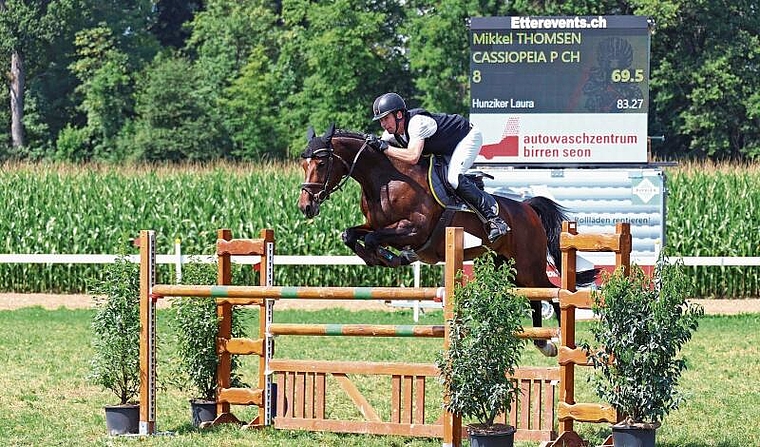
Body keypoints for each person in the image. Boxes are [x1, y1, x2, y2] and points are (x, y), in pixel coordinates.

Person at [367, 92, 509, 243]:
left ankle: (495, 219)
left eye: (386, 119)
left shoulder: (417, 123)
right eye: (381, 121)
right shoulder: (390, 134)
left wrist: (385, 148)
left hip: (467, 137)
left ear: (399, 114)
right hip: (445, 148)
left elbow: (412, 156)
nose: (383, 124)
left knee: (453, 179)